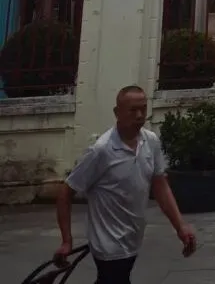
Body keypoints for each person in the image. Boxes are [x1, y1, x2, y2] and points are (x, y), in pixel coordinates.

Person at [54, 83, 197, 282]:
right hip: (108, 243)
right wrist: (66, 241)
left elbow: (160, 185)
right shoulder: (101, 150)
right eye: (133, 110)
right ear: (117, 112)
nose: (139, 115)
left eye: (143, 109)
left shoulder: (150, 141)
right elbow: (66, 192)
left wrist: (180, 226)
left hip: (133, 238)